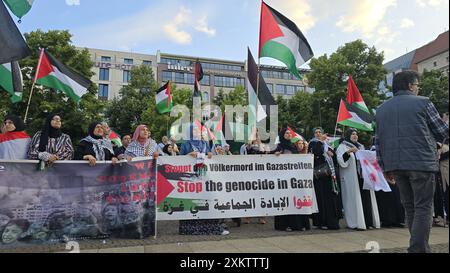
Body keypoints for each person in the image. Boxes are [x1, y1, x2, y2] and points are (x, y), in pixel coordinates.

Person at [375, 70, 449, 253]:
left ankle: (420, 248)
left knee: (410, 208)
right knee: (423, 207)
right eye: (417, 85)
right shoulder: (423, 103)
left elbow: (378, 141)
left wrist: (384, 166)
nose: (418, 89)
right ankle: (417, 249)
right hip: (421, 163)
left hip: (396, 165)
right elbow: (442, 131)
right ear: (410, 85)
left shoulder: (382, 109)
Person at [178, 123, 228, 235]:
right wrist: (189, 154)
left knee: (208, 199)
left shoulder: (204, 143)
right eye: (195, 130)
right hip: (192, 179)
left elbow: (209, 153)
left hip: (206, 177)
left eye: (198, 130)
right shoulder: (185, 144)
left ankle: (212, 228)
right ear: (190, 132)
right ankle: (190, 229)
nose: (198, 132)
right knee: (194, 201)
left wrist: (211, 153)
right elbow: (179, 160)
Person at [337, 128, 380, 230]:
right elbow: (341, 161)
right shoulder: (342, 147)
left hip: (363, 177)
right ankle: (356, 223)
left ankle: (368, 222)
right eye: (352, 134)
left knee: (366, 199)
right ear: (348, 136)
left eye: (356, 134)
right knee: (354, 200)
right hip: (352, 179)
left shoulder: (361, 146)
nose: (355, 136)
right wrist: (349, 152)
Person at [272, 128, 311, 232]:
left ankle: (297, 225)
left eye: (289, 133)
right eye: (286, 133)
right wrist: (276, 156)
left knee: (296, 201)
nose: (289, 135)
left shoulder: (293, 146)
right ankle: (285, 225)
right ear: (282, 135)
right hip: (284, 180)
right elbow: (272, 161)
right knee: (286, 201)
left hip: (295, 179)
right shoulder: (279, 146)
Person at [308, 127, 341, 230]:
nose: (318, 134)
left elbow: (334, 159)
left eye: (320, 132)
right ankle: (321, 221)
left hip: (329, 176)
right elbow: (315, 153)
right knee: (321, 198)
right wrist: (321, 141)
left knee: (330, 198)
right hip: (319, 176)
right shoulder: (313, 143)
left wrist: (332, 154)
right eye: (316, 132)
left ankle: (331, 221)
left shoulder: (327, 145)